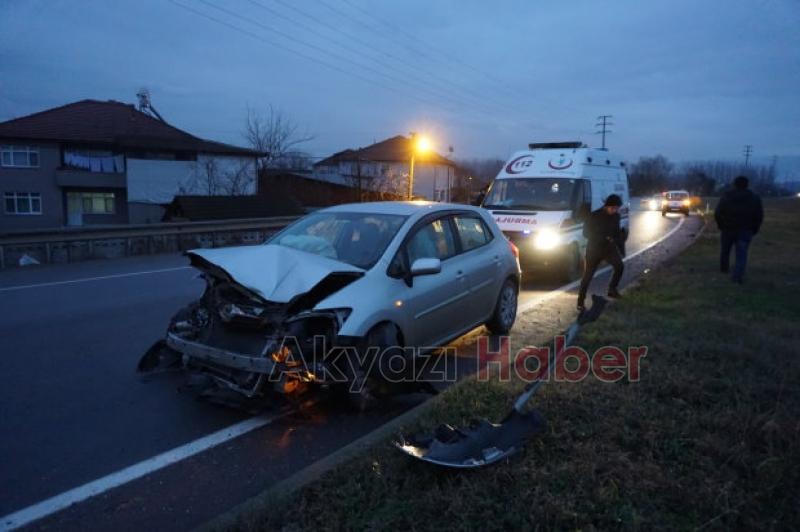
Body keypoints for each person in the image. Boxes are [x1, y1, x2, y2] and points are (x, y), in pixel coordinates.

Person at [577, 194, 625, 312]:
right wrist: (602, 237)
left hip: (609, 249)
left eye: (616, 208)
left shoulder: (616, 217)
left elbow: (617, 233)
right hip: (594, 249)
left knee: (620, 266)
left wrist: (620, 244)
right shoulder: (594, 216)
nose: (614, 210)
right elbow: (585, 233)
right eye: (613, 208)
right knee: (587, 276)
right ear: (607, 205)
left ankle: (612, 289)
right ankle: (580, 302)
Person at [714, 175, 763, 283]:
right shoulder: (754, 198)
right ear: (747, 185)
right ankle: (738, 275)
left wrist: (721, 225)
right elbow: (759, 215)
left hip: (728, 228)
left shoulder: (727, 196)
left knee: (725, 250)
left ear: (734, 184)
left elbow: (718, 212)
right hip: (745, 229)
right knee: (742, 253)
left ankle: (724, 268)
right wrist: (754, 228)